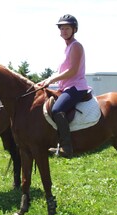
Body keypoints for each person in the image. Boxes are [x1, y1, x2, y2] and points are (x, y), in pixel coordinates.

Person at [37, 14, 89, 157]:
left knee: (57, 109)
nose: (64, 31)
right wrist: (46, 80)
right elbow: (60, 71)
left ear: (74, 30)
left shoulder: (76, 46)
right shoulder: (66, 48)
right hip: (65, 87)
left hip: (76, 87)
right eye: (62, 28)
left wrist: (51, 80)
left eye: (67, 28)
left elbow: (72, 71)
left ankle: (67, 147)